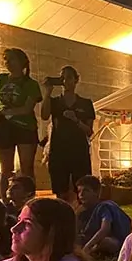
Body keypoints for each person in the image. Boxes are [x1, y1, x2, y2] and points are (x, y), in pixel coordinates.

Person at [0, 48, 42, 200]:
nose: (8, 63)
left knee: (26, 168)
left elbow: (27, 108)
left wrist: (6, 113)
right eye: (6, 59)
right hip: (4, 126)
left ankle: (29, 200)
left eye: (12, 59)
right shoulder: (1, 79)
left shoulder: (30, 84)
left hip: (24, 126)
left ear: (21, 62)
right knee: (6, 169)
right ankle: (6, 202)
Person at [41, 66, 95, 201]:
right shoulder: (55, 102)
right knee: (61, 191)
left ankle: (81, 216)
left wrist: (76, 120)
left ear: (76, 80)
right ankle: (63, 216)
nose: (65, 81)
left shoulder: (86, 103)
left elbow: (89, 131)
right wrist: (47, 93)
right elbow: (44, 115)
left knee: (82, 189)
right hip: (58, 150)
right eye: (62, 78)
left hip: (79, 150)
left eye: (69, 77)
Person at [75, 175, 132, 256]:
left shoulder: (104, 206)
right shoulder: (83, 210)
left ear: (97, 192)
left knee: (106, 242)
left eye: (86, 191)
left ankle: (89, 251)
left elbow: (104, 229)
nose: (81, 194)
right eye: (79, 191)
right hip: (94, 240)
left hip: (117, 240)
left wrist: (87, 247)